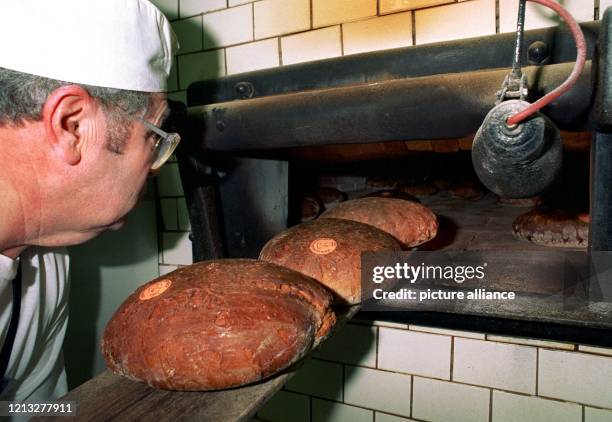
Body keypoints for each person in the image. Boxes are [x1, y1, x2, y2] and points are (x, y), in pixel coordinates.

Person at [0, 0, 179, 405]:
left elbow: (34, 408)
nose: (155, 165)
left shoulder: (46, 263)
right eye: (154, 135)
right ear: (73, 127)